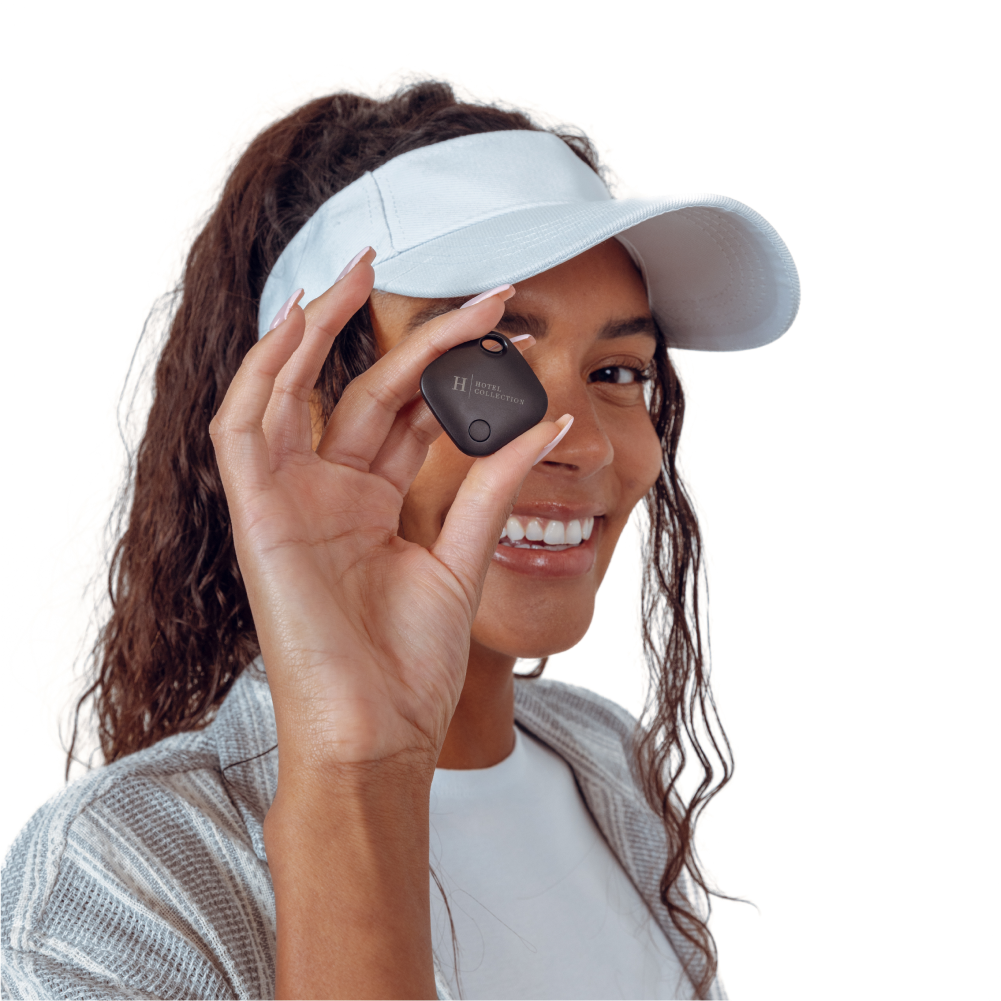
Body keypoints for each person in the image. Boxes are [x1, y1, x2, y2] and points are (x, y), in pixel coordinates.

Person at [0, 81, 799, 1001]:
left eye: (617, 371)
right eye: (480, 364)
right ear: (299, 413)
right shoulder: (119, 879)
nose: (580, 442)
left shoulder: (610, 761)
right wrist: (356, 770)